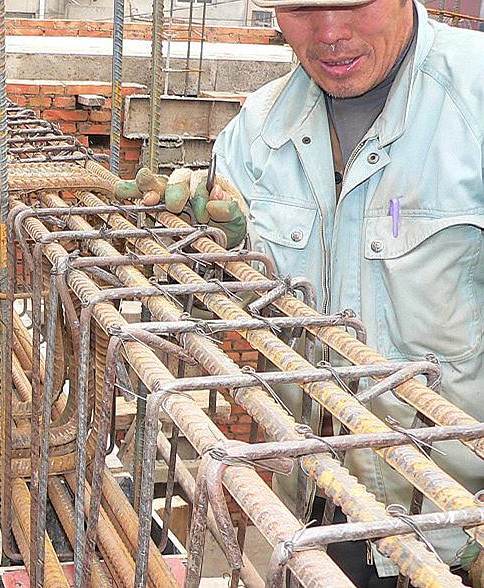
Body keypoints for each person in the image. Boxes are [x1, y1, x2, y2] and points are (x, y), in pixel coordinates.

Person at [136, 0, 483, 583]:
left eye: (352, 5)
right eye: (301, 10)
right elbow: (230, 312)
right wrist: (213, 254)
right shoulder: (259, 128)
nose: (329, 35)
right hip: (319, 517)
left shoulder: (475, 100)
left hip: (454, 528)